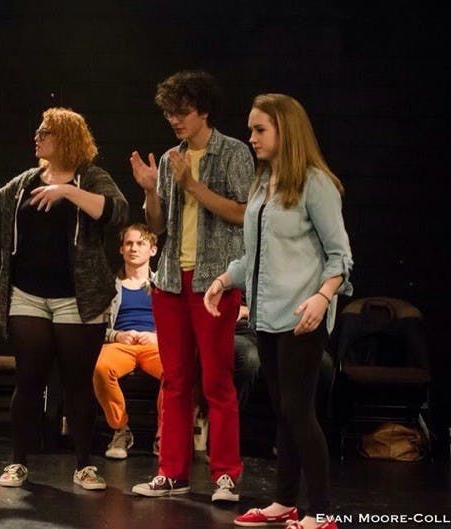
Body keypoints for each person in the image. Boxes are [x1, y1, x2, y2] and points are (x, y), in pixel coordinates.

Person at [0, 107, 128, 491]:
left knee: (77, 384)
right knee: (29, 380)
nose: (36, 136)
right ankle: (18, 461)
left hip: (77, 299)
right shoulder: (25, 182)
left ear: (65, 138)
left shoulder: (92, 178)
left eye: (45, 131)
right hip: (27, 296)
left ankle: (84, 464)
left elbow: (116, 212)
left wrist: (66, 191)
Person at [204, 93, 353, 529]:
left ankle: (322, 509)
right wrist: (224, 280)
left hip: (302, 317)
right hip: (267, 316)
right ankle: (285, 501)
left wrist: (323, 297)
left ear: (285, 130)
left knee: (299, 410)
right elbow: (255, 254)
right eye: (251, 129)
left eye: (259, 129)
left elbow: (340, 258)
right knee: (283, 410)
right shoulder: (263, 184)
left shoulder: (316, 184)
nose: (251, 137)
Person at [129, 70, 253, 501]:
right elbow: (157, 226)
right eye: (169, 114)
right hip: (169, 282)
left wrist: (191, 184)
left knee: (217, 380)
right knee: (175, 379)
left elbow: (241, 213)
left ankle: (226, 475)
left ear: (203, 110)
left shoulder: (234, 153)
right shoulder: (169, 159)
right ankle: (172, 472)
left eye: (182, 113)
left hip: (214, 280)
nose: (175, 121)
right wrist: (150, 191)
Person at [93, 223, 162, 460]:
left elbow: (180, 324)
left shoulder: (163, 285)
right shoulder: (109, 287)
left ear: (152, 250)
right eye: (129, 243)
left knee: (177, 371)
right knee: (101, 368)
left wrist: (158, 337)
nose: (134, 248)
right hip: (120, 344)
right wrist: (117, 335)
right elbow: (95, 325)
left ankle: (165, 435)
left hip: (154, 344)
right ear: (121, 249)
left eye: (140, 243)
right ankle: (121, 429)